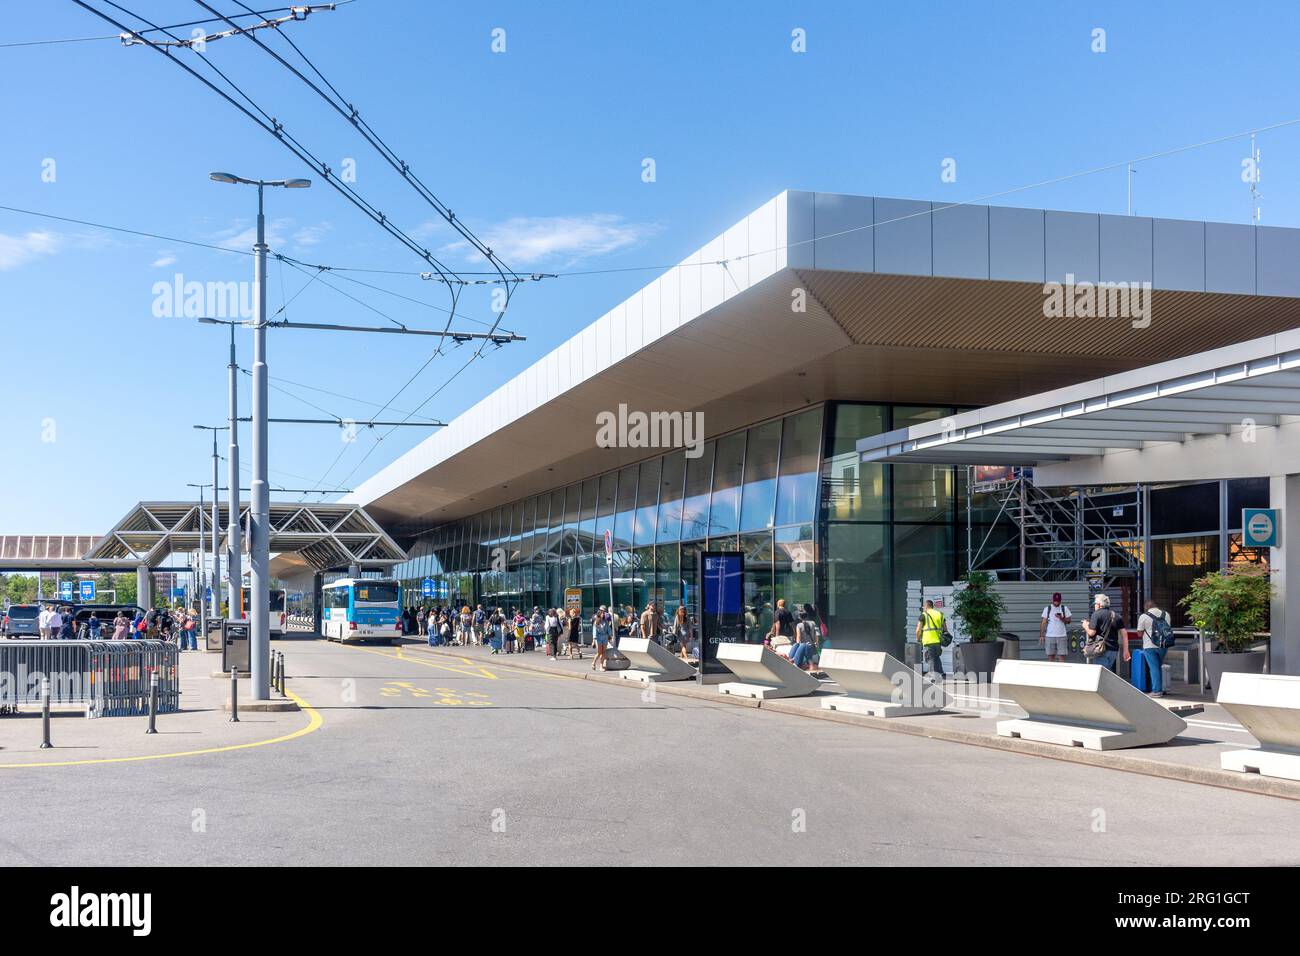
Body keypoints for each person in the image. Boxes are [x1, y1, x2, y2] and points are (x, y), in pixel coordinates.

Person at [1082, 593, 1127, 673]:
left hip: (1100, 649)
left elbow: (1092, 632)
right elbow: (1124, 633)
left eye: (1095, 604)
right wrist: (1126, 651)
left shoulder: (1096, 615)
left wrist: (1085, 626)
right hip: (1114, 650)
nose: (1094, 605)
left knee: (1100, 675)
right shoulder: (1116, 616)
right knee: (1107, 673)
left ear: (1099, 605)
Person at [1136, 599, 1173, 697]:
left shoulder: (1144, 616)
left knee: (1154, 668)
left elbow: (1139, 633)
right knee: (1159, 666)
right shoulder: (1166, 614)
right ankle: (1161, 688)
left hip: (1149, 646)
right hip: (1163, 645)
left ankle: (1156, 691)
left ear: (1146, 607)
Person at [915, 598, 945, 681]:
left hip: (929, 640)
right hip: (938, 640)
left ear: (926, 606)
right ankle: (940, 673)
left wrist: (918, 639)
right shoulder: (940, 614)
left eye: (924, 607)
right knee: (936, 657)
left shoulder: (923, 615)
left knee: (930, 658)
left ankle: (933, 676)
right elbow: (945, 629)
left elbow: (918, 630)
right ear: (932, 606)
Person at [1038, 592, 1072, 663]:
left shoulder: (1064, 608)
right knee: (1051, 658)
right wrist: (1041, 635)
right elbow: (1043, 622)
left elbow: (1069, 621)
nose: (1056, 603)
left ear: (1060, 600)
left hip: (1062, 635)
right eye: (1055, 601)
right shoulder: (1047, 608)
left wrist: (1061, 618)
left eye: (1058, 601)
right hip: (1050, 636)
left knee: (1062, 657)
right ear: (1052, 600)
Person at [788, 603, 820, 670]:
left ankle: (797, 660)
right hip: (812, 645)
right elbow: (817, 634)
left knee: (801, 646)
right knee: (807, 650)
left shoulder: (799, 625)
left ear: (800, 617)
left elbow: (798, 637)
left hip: (804, 646)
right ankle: (810, 664)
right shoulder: (813, 623)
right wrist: (817, 643)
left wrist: (798, 645)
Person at [592, 606, 612, 671]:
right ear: (599, 614)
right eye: (602, 613)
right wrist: (594, 640)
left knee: (604, 652)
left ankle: (601, 666)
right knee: (599, 652)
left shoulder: (605, 621)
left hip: (605, 637)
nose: (603, 614)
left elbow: (609, 629)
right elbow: (594, 632)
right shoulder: (596, 622)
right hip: (598, 638)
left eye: (604, 613)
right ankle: (593, 662)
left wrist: (610, 635)